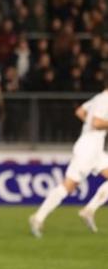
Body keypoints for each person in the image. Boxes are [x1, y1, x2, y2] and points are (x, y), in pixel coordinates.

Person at [29, 84, 108, 237]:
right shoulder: (105, 100)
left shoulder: (98, 98)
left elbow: (80, 112)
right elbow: (96, 123)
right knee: (68, 186)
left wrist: (90, 127)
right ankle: (38, 218)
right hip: (88, 149)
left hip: (96, 149)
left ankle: (89, 210)